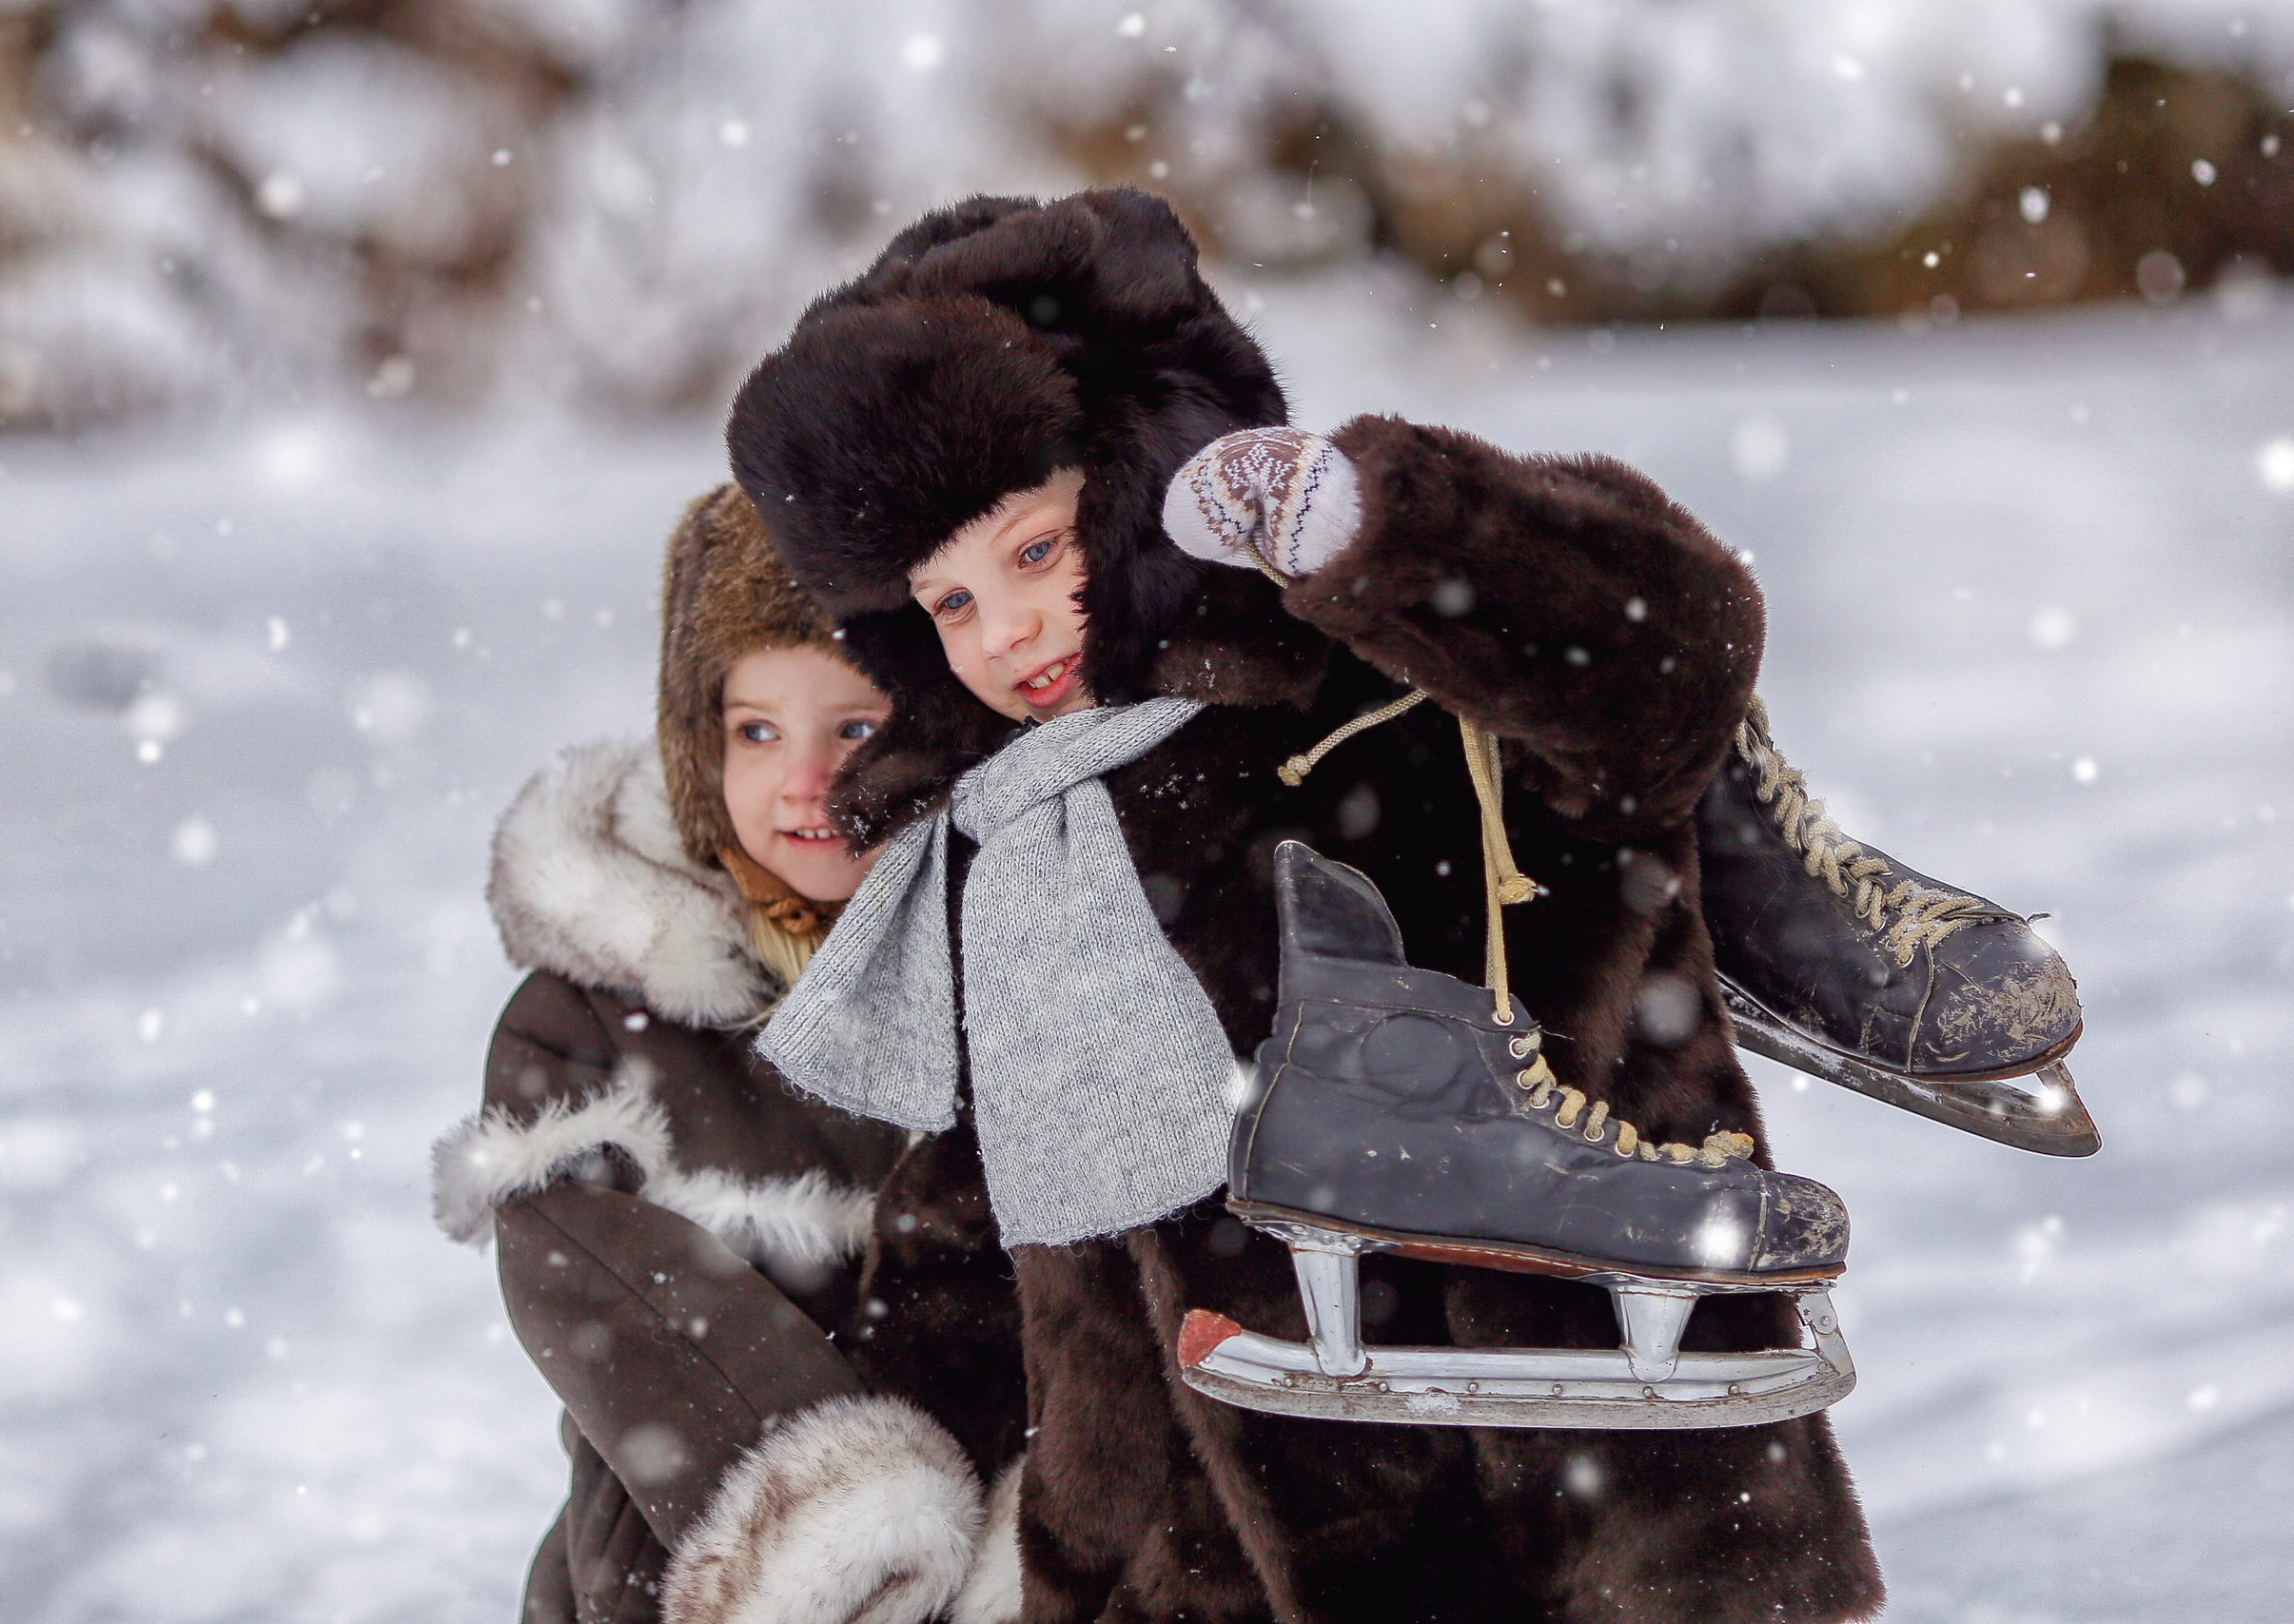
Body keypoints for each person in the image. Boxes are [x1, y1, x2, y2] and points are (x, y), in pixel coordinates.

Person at [725, 188, 1885, 1622]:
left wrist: (1378, 530)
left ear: (1143, 477)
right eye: (949, 603)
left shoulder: (1369, 685)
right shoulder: (1003, 845)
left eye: (1034, 551)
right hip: (1166, 1562)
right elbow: (988, 1228)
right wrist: (879, 1481)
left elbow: (1666, 655)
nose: (1007, 630)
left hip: (1580, 1505)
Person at [430, 485, 1027, 1624]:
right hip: (696, 1559)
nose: (801, 781)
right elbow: (597, 1279)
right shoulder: (600, 1012)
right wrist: (842, 1520)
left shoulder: (1025, 970)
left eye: (854, 730)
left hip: (1014, 1553)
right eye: (755, 731)